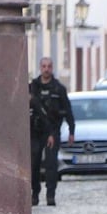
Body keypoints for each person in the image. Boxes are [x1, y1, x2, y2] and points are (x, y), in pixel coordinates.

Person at [30, 57, 75, 206]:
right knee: (33, 164)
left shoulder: (58, 88)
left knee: (51, 164)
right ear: (40, 67)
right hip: (35, 131)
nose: (46, 69)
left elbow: (68, 111)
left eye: (49, 66)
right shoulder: (32, 87)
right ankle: (34, 193)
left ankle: (50, 195)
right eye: (43, 66)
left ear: (52, 68)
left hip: (53, 130)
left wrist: (71, 130)